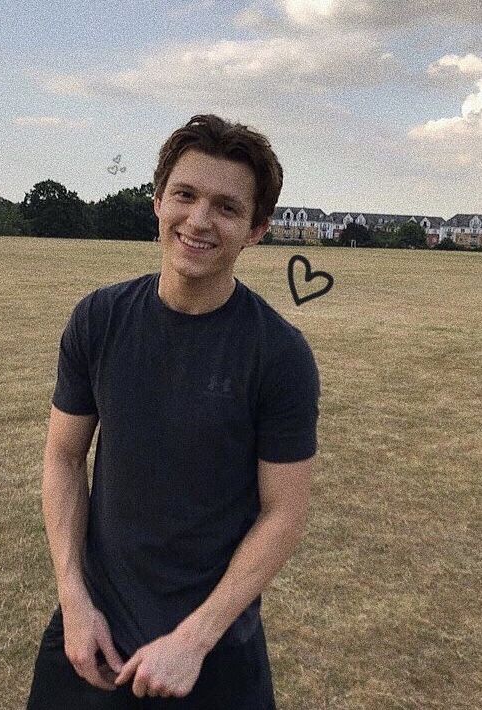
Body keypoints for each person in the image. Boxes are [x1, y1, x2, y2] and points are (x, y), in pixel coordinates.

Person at [27, 114, 320, 709]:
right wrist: (74, 601)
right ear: (157, 201)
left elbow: (283, 513)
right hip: (93, 638)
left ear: (257, 228)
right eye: (184, 195)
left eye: (227, 207)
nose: (199, 220)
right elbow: (63, 455)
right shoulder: (99, 320)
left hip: (215, 652)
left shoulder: (279, 355)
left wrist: (193, 640)